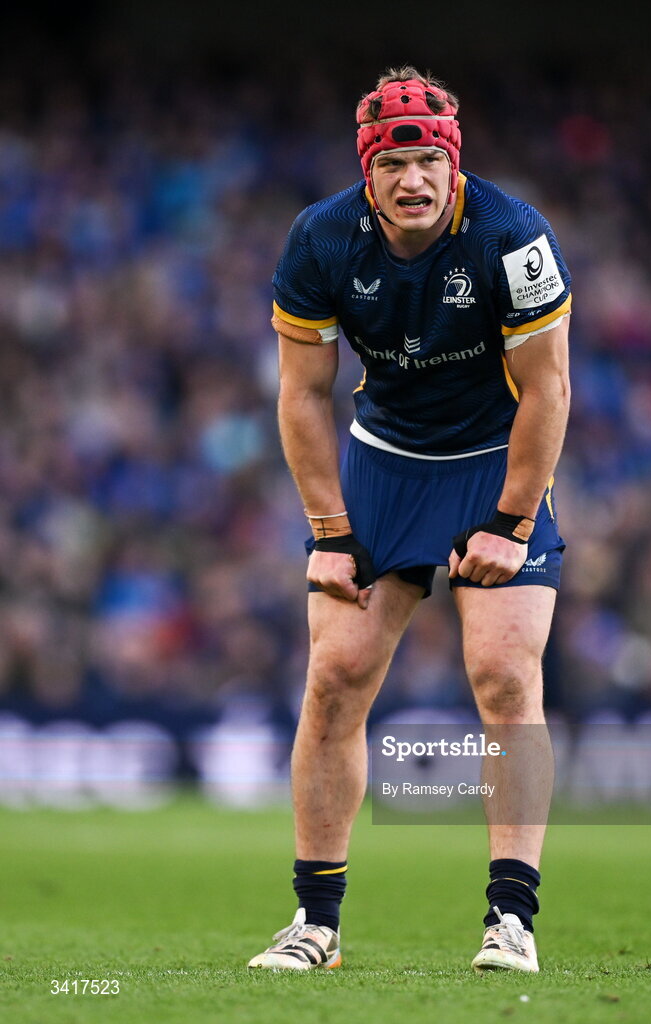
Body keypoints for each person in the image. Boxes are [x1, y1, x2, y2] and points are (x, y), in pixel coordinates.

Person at [247, 66, 571, 974]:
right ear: (368, 172)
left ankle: (512, 920)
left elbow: (549, 389)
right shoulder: (320, 238)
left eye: (429, 158)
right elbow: (301, 393)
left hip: (494, 460)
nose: (412, 179)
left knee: (504, 677)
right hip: (384, 462)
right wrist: (328, 531)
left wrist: (511, 523)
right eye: (392, 163)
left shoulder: (513, 234)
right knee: (335, 677)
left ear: (453, 162)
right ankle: (316, 923)